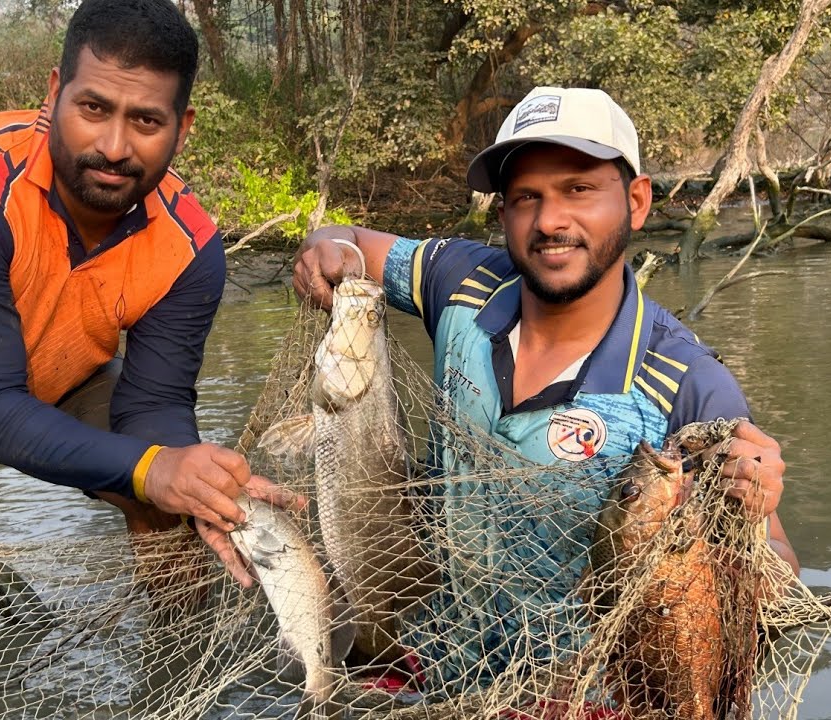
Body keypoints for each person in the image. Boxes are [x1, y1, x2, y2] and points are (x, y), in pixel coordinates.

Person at [293, 86, 797, 694]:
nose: (550, 221)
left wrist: (750, 509)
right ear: (502, 214)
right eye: (526, 197)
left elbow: (781, 594)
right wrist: (329, 250)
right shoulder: (461, 280)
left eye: (579, 189)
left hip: (581, 694)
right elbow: (347, 240)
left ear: (637, 201)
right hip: (425, 661)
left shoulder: (687, 384)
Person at [0, 0, 288, 584]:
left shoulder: (190, 246)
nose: (114, 147)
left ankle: (173, 644)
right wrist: (150, 469)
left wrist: (178, 474)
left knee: (176, 503)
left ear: (182, 128)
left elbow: (155, 402)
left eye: (146, 121)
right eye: (93, 108)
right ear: (54, 93)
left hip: (67, 381)